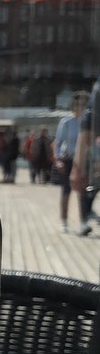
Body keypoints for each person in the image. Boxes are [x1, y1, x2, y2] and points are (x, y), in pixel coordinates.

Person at [53, 92, 88, 232]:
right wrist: (58, 160)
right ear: (74, 106)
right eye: (78, 104)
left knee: (83, 193)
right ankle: (64, 220)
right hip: (68, 160)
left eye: (83, 104)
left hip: (83, 160)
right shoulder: (66, 122)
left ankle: (83, 222)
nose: (80, 107)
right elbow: (57, 143)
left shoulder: (88, 122)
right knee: (66, 192)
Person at [71, 77, 100, 237]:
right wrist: (79, 165)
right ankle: (84, 221)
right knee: (86, 191)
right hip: (92, 160)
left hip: (93, 159)